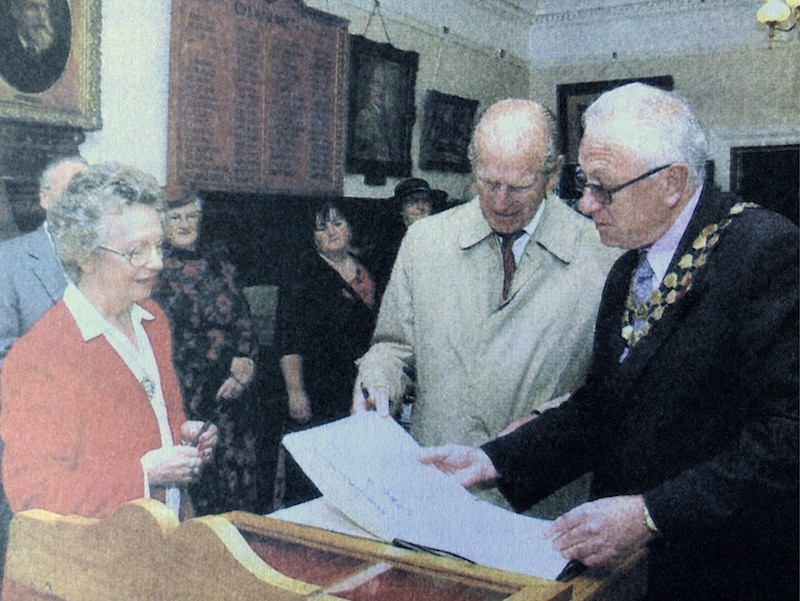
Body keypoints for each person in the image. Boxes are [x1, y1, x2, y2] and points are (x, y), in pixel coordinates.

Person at [419, 83, 799, 600]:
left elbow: (787, 441)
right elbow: (604, 406)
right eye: (581, 181)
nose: (585, 202)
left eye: (603, 187)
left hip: (724, 570)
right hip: (623, 574)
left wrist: (650, 514)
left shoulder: (765, 252)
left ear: (672, 182)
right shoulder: (626, 267)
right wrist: (492, 460)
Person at [353, 98, 620, 516]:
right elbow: (394, 346)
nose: (499, 201)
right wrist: (376, 380)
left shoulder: (605, 257)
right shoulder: (425, 243)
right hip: (437, 496)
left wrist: (539, 430)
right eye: (487, 181)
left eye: (519, 186)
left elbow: (613, 393)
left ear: (554, 173)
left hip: (545, 509)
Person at [0, 163, 218, 520]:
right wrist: (145, 474)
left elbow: (150, 419)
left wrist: (183, 437)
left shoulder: (152, 320)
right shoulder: (40, 356)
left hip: (163, 537)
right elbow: (34, 494)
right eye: (137, 251)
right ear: (85, 255)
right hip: (96, 564)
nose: (158, 262)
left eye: (158, 246)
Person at [151, 194, 266, 515]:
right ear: (162, 224)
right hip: (189, 392)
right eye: (176, 218)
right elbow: (168, 335)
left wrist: (245, 363)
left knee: (237, 484)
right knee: (197, 477)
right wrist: (220, 369)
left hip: (233, 397)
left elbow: (243, 315)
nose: (185, 224)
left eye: (190, 217)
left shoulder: (220, 262)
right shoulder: (156, 270)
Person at [275, 202, 378, 507]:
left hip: (358, 388)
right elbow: (287, 339)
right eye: (322, 228)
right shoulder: (302, 275)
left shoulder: (368, 272)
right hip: (317, 388)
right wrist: (296, 391)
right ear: (313, 238)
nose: (331, 232)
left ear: (350, 228)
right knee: (311, 476)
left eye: (337, 224)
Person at [0, 154, 87, 369]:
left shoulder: (110, 256)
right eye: (71, 192)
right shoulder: (8, 260)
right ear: (44, 198)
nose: (83, 203)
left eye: (90, 193)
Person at [0, 0, 71, 93]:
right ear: (16, 12)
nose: (41, 16)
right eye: (33, 8)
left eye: (43, 8)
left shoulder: (55, 53)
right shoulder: (4, 49)